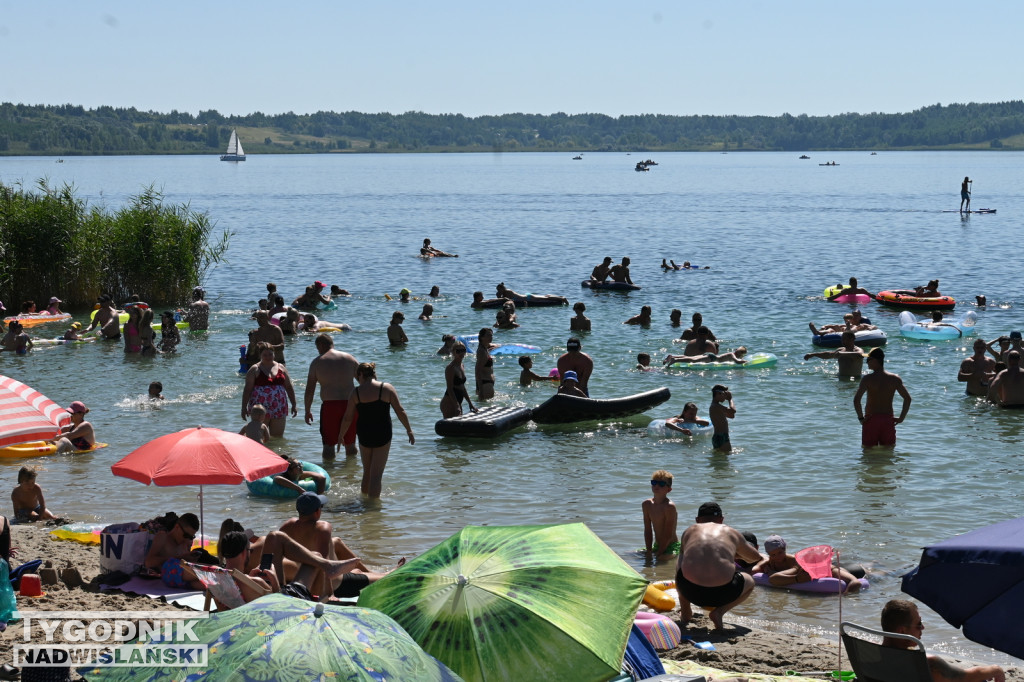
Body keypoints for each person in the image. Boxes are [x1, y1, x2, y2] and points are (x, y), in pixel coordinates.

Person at [277, 493, 386, 598]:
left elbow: (278, 554)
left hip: (306, 577)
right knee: (384, 578)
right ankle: (382, 573)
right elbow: (325, 563)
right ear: (317, 511)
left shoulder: (289, 525)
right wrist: (329, 593)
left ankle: (364, 572)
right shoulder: (322, 528)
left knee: (336, 541)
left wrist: (280, 583)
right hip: (337, 585)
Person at [675, 502, 761, 631]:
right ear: (721, 520)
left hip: (690, 592)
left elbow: (680, 567)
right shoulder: (731, 532)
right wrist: (735, 554)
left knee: (681, 570)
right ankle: (719, 612)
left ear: (697, 520)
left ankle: (686, 612)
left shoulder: (689, 531)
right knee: (749, 581)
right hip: (723, 594)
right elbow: (754, 557)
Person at [337, 363, 414, 498]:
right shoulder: (387, 388)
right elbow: (400, 411)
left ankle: (363, 501)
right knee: (376, 475)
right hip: (382, 433)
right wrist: (409, 430)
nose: (357, 380)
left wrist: (340, 435)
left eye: (357, 377)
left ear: (361, 375)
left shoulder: (356, 392)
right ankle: (372, 510)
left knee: (367, 472)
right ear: (373, 373)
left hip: (364, 434)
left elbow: (347, 418)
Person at [880, 599, 1004, 682]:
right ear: (902, 631)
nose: (923, 627)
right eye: (918, 624)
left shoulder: (865, 653)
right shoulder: (927, 663)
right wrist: (996, 669)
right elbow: (966, 677)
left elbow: (858, 676)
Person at [304, 334, 358, 458]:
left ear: (320, 345)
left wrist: (307, 410)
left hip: (330, 407)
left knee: (328, 445)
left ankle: (331, 473)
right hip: (351, 405)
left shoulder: (317, 362)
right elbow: (365, 381)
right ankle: (351, 474)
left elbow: (310, 389)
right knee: (350, 443)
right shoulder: (350, 358)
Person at [751, 534, 861, 592]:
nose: (777, 557)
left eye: (780, 552)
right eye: (773, 555)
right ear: (769, 554)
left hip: (829, 568)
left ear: (785, 549)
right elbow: (756, 571)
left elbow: (775, 578)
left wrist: (846, 596)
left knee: (862, 574)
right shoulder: (770, 562)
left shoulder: (795, 561)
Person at [854, 348, 912, 447]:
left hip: (870, 420)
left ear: (875, 360)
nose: (866, 362)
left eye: (868, 360)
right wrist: (901, 418)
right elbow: (907, 399)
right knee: (888, 451)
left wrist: (861, 418)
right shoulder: (894, 379)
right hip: (888, 420)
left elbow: (856, 400)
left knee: (868, 453)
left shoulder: (867, 379)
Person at [242, 342, 298, 438]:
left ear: (274, 354)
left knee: (277, 437)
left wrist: (294, 404)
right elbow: (247, 390)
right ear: (260, 355)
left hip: (279, 407)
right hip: (260, 409)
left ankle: (276, 452)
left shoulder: (281, 367)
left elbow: (288, 387)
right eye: (265, 355)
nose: (268, 357)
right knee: (258, 436)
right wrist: (243, 408)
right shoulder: (254, 369)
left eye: (270, 354)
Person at [143, 513, 204, 589]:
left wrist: (190, 558)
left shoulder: (186, 543)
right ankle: (209, 574)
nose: (187, 538)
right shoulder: (163, 537)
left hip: (183, 578)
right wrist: (180, 557)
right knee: (171, 564)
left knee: (205, 584)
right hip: (169, 573)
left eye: (191, 536)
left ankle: (216, 582)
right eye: (186, 535)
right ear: (177, 527)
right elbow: (148, 562)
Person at [642, 470, 678, 561]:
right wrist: (649, 550)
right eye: (654, 483)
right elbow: (647, 530)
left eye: (661, 484)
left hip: (671, 546)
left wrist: (660, 552)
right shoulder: (646, 504)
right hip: (657, 545)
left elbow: (668, 534)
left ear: (669, 489)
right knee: (632, 555)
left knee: (660, 559)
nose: (656, 486)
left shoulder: (669, 507)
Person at [441, 342, 477, 417]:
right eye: (458, 351)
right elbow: (450, 389)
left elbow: (462, 387)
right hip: (449, 402)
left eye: (463, 350)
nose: (461, 353)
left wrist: (470, 404)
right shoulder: (450, 368)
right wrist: (456, 405)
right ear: (453, 352)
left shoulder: (461, 365)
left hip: (457, 402)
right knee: (450, 428)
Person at [709, 385, 736, 453]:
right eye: (724, 394)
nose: (725, 397)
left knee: (719, 459)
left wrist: (729, 405)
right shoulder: (716, 406)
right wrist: (730, 399)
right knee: (726, 458)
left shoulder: (716, 406)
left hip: (717, 436)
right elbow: (733, 410)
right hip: (722, 436)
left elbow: (732, 416)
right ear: (718, 394)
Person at [664, 347, 747, 366]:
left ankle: (672, 356)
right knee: (692, 360)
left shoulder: (732, 354)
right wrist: (746, 362)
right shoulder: (732, 355)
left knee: (691, 357)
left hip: (710, 355)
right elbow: (737, 362)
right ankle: (675, 360)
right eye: (741, 354)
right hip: (712, 358)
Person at [475, 327, 497, 400]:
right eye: (488, 335)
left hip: (487, 383)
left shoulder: (484, 348)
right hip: (485, 384)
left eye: (491, 335)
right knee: (487, 409)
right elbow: (477, 371)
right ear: (482, 337)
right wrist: (480, 390)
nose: (491, 337)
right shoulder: (482, 351)